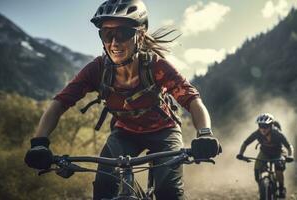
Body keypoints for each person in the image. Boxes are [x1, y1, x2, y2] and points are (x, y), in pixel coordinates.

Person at [24, 0, 221, 199]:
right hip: (124, 133)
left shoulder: (156, 66)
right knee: (103, 186)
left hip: (164, 132)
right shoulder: (97, 70)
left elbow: (192, 100)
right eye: (107, 34)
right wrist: (39, 143)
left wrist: (204, 134)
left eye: (123, 33)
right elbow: (60, 103)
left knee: (168, 191)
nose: (114, 43)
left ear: (140, 35)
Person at [236, 113, 294, 198]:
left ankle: (281, 188)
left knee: (279, 169)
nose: (262, 129)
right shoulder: (257, 133)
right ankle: (263, 188)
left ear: (271, 126)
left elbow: (289, 146)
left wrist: (290, 155)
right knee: (257, 171)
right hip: (264, 153)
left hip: (278, 153)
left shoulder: (277, 134)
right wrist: (240, 154)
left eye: (265, 126)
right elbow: (245, 143)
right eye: (260, 126)